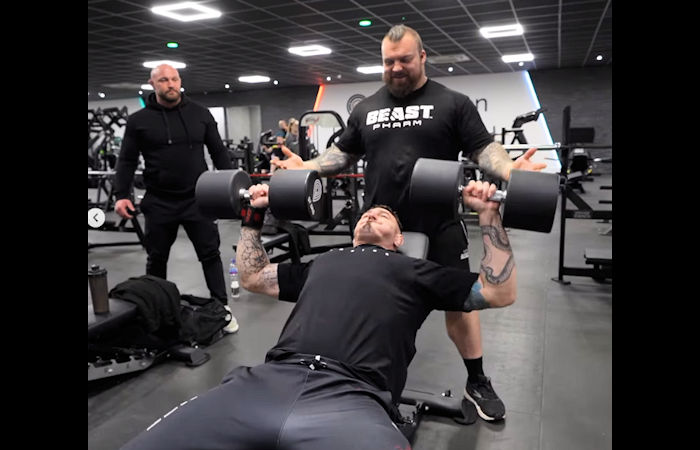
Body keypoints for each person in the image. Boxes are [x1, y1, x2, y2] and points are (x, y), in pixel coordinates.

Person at [272, 24, 547, 421]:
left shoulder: (452, 103)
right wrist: (307, 167)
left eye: (404, 59)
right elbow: (342, 154)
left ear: (422, 56)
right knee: (371, 300)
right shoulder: (366, 108)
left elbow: (483, 149)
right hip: (381, 229)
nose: (396, 68)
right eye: (389, 61)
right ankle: (362, 379)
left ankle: (476, 380)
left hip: (440, 224)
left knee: (461, 306)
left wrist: (510, 172)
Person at [121, 180, 517, 450]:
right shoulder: (324, 262)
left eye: (383, 215)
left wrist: (488, 215)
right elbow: (254, 276)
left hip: (351, 398)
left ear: (400, 239)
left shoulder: (416, 270)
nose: (371, 215)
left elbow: (498, 291)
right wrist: (252, 217)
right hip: (264, 383)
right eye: (367, 214)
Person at [113, 63, 239, 334]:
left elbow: (219, 153)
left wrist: (231, 188)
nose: (170, 84)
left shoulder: (200, 114)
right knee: (156, 258)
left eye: (174, 79)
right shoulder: (139, 121)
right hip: (159, 201)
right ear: (152, 84)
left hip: (198, 198)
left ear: (180, 81)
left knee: (210, 254)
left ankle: (222, 309)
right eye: (163, 80)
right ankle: (155, 310)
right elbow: (126, 160)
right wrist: (121, 195)